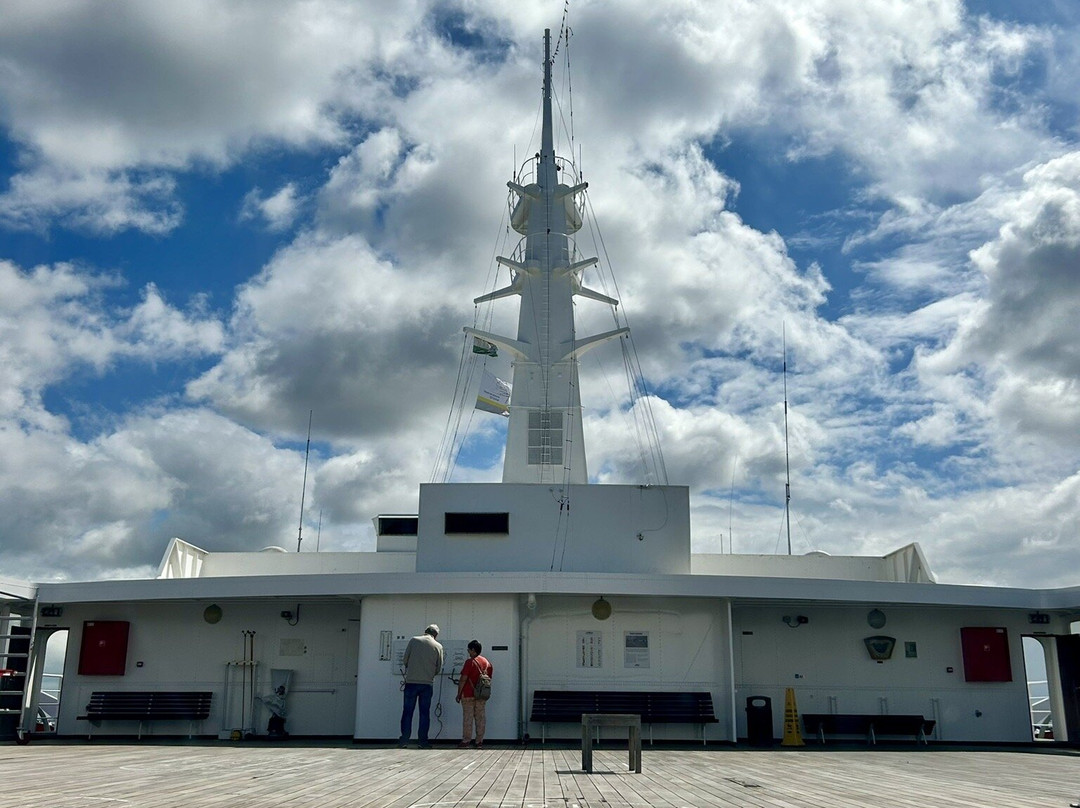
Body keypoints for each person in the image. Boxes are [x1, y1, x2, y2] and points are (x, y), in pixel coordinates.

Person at [399, 624, 444, 748]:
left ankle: (404, 741)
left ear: (425, 632)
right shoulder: (438, 646)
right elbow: (438, 667)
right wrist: (429, 674)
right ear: (436, 635)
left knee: (407, 712)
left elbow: (405, 661)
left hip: (411, 682)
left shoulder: (414, 640)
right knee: (424, 713)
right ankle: (423, 742)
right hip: (427, 684)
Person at [455, 639, 493, 748]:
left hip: (468, 694)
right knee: (480, 718)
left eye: (469, 650)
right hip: (482, 695)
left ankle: (466, 741)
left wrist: (459, 693)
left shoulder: (470, 662)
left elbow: (463, 679)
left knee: (468, 718)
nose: (468, 651)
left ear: (473, 650)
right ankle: (479, 741)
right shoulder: (487, 663)